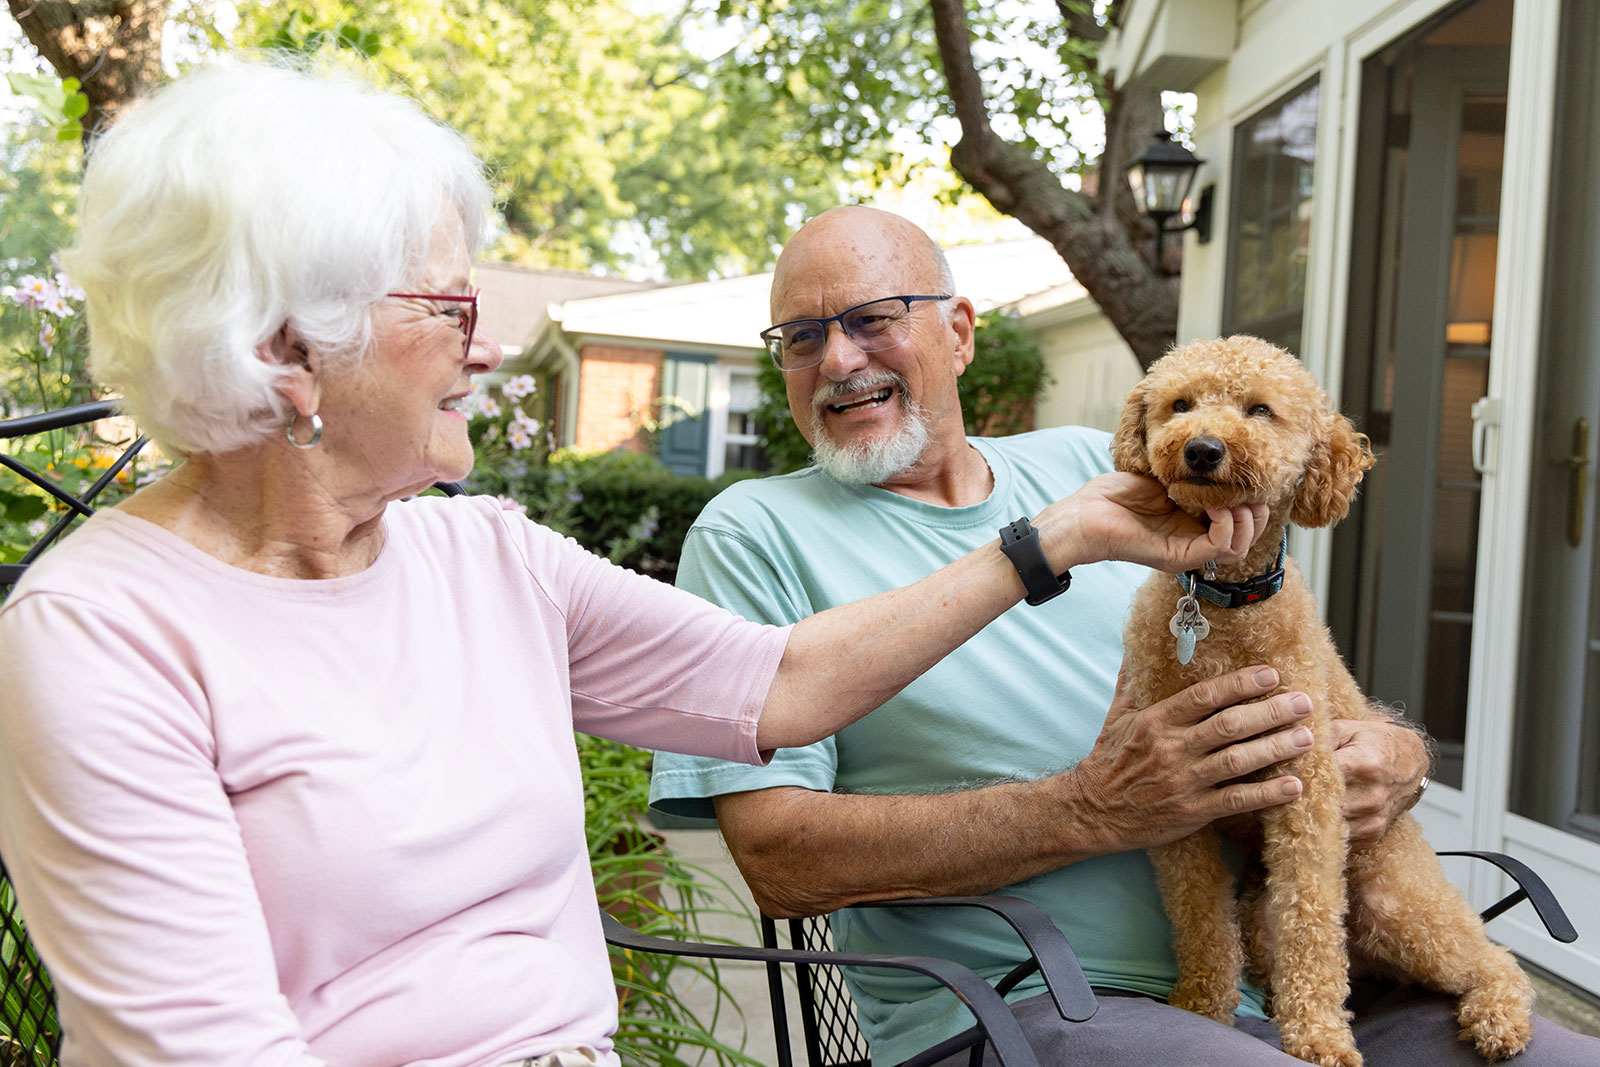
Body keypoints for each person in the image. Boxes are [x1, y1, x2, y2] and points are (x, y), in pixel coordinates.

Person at [0, 65, 1278, 1067]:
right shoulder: (99, 632)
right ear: (290, 349)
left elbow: (776, 686)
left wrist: (1048, 536)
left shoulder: (480, 553)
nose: (487, 346)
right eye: (448, 307)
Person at [649, 206, 1600, 1065]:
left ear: (960, 331)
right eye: (802, 337)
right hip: (1029, 1003)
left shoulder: (1092, 463)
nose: (840, 360)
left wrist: (1397, 750)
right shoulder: (752, 534)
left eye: (872, 319)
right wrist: (1091, 808)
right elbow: (779, 860)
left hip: (1306, 968)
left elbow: (1292, 653)